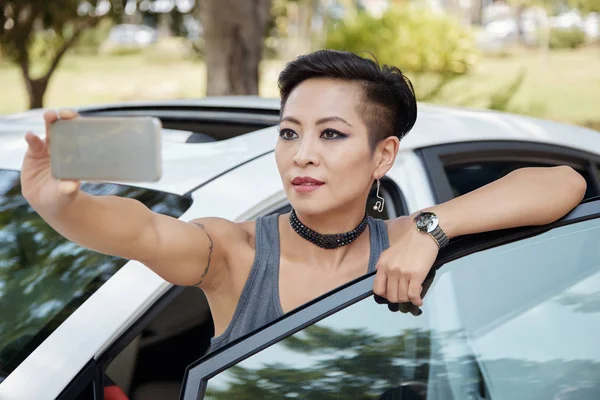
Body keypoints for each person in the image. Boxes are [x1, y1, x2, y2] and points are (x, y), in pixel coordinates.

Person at [21, 50, 587, 353]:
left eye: (331, 134)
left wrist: (432, 229)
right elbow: (140, 230)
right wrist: (61, 206)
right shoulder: (233, 252)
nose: (302, 155)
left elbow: (564, 181)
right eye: (290, 132)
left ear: (383, 155)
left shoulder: (405, 240)